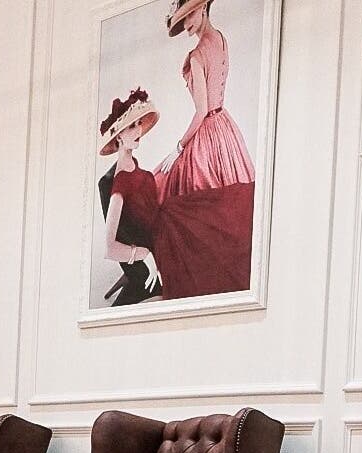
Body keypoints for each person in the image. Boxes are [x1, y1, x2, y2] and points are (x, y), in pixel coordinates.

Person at [150, 0, 257, 298]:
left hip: (209, 128)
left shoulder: (197, 56)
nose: (186, 25)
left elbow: (201, 112)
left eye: (189, 16)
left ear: (204, 8)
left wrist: (178, 147)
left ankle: (190, 267)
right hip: (225, 127)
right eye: (181, 20)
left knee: (169, 187)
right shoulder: (221, 38)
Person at [96, 88, 164, 306]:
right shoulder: (118, 183)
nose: (138, 130)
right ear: (118, 135)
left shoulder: (143, 174)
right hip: (145, 260)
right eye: (131, 126)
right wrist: (143, 255)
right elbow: (110, 248)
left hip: (159, 246)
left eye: (138, 124)